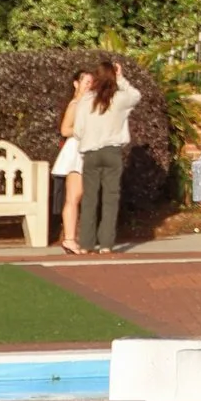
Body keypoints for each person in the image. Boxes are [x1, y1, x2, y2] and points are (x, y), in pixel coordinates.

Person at [55, 55, 139, 255]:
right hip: (112, 151)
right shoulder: (119, 99)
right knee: (110, 198)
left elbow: (79, 130)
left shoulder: (85, 101)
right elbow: (136, 95)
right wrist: (121, 79)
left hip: (90, 153)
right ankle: (107, 244)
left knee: (90, 198)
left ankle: (86, 244)